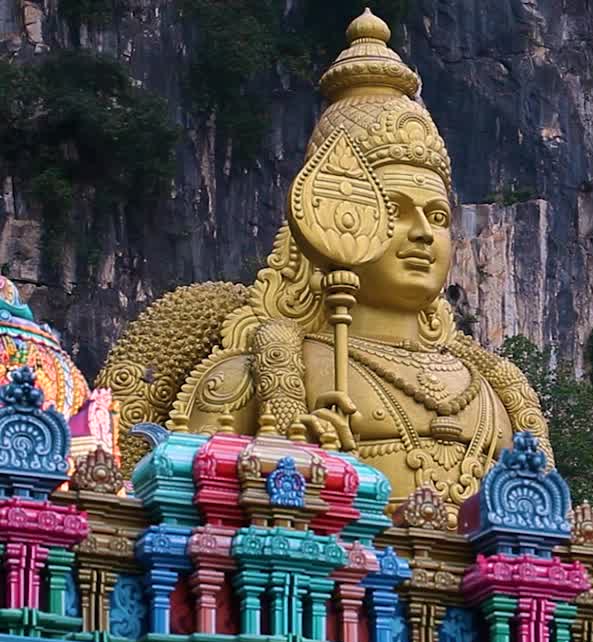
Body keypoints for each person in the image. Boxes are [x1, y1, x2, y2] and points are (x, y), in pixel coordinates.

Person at [97, 10, 550, 529]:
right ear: (331, 214)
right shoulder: (266, 373)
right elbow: (185, 518)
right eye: (396, 211)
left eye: (438, 215)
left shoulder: (499, 391)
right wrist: (289, 455)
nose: (424, 233)